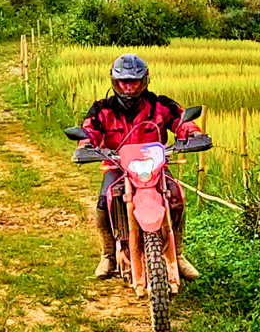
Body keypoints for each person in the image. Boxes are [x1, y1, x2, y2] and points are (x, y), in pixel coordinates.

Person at [79, 53, 202, 280]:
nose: (129, 87)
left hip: (154, 166)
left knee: (176, 197)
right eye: (124, 82)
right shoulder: (102, 109)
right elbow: (89, 130)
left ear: (144, 81)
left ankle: (179, 253)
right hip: (117, 166)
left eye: (134, 82)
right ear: (115, 83)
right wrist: (86, 145)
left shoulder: (160, 105)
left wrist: (194, 134)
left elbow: (181, 120)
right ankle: (108, 255)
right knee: (104, 201)